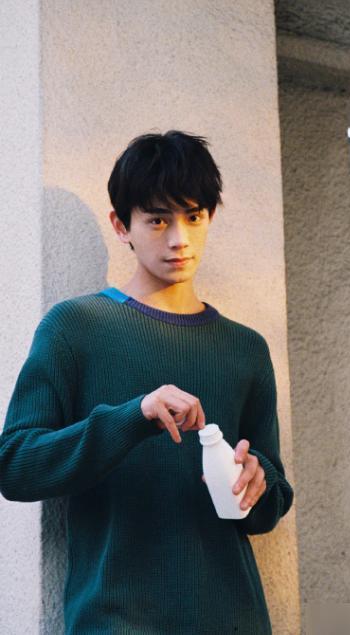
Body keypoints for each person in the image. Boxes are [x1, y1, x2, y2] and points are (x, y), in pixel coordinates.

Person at [0, 130, 294, 634]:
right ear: (122, 226)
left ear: (210, 217)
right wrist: (131, 417)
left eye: (193, 217)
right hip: (116, 621)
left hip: (233, 619)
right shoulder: (75, 327)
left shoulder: (246, 348)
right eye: (158, 220)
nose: (179, 239)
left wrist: (256, 480)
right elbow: (15, 465)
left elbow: (271, 504)